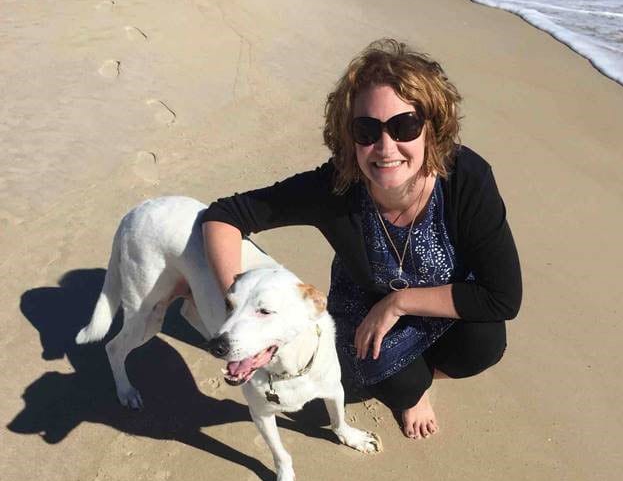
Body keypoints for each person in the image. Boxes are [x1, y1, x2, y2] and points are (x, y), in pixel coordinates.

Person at [202, 39, 521, 440]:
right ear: (348, 136)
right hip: (363, 305)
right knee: (385, 382)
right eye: (366, 130)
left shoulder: (466, 178)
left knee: (485, 342)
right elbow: (223, 216)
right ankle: (413, 388)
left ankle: (424, 374)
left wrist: (399, 302)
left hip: (443, 297)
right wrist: (238, 304)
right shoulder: (334, 186)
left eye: (405, 126)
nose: (386, 147)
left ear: (432, 128)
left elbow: (503, 297)